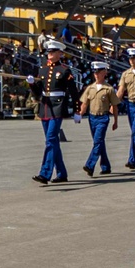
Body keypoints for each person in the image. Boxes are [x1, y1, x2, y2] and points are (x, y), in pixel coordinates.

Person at [31, 40, 80, 185]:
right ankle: (61, 173)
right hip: (45, 107)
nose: (49, 54)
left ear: (60, 54)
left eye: (52, 52)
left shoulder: (65, 71)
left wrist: (77, 110)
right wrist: (32, 84)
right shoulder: (42, 70)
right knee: (53, 142)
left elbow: (73, 92)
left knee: (51, 139)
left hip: (58, 107)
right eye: (49, 52)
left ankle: (45, 173)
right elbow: (37, 93)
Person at [78, 61, 120, 177]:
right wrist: (80, 114)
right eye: (95, 72)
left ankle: (90, 165)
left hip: (103, 117)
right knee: (99, 142)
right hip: (92, 118)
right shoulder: (90, 88)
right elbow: (84, 103)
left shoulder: (109, 89)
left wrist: (116, 121)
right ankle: (106, 166)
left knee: (97, 141)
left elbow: (115, 106)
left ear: (104, 72)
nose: (96, 74)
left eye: (99, 72)